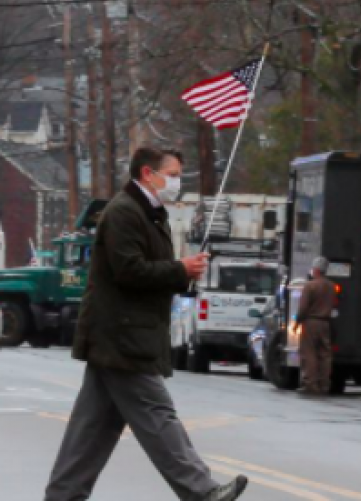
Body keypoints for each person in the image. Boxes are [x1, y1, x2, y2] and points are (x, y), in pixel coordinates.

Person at [43, 147, 248, 501]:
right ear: (147, 173)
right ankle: (202, 492)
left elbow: (148, 271)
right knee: (157, 413)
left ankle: (62, 497)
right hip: (123, 336)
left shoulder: (149, 214)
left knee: (91, 432)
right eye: (171, 173)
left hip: (123, 334)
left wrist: (182, 273)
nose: (176, 181)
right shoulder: (125, 212)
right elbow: (129, 270)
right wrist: (179, 269)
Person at [295, 256, 336, 395]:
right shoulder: (331, 286)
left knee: (309, 353)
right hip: (325, 323)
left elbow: (303, 308)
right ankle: (324, 383)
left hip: (311, 322)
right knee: (325, 354)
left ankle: (310, 384)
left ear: (316, 270)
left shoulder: (310, 286)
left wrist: (297, 322)